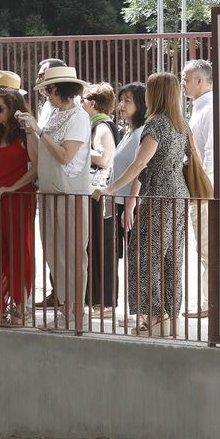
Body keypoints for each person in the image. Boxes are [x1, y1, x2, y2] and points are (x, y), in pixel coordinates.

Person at [100, 72, 190, 337]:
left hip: (158, 197)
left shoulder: (156, 125)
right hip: (178, 196)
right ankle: (170, 318)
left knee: (144, 257)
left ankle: (153, 317)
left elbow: (140, 164)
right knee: (172, 259)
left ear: (155, 94)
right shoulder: (180, 124)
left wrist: (110, 189)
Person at [23, 64, 92, 331]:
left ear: (60, 89)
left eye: (49, 89)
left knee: (73, 256)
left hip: (70, 194)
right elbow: (43, 155)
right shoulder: (53, 115)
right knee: (54, 254)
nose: (46, 94)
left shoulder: (78, 117)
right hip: (50, 192)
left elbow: (65, 156)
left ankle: (76, 314)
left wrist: (38, 131)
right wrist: (32, 130)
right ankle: (66, 310)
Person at [0, 88, 38, 325]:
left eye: (0, 109)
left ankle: (20, 308)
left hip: (18, 200)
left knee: (18, 252)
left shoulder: (25, 134)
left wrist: (12, 187)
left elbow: (35, 167)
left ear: (14, 109)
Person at [105, 82, 148, 315]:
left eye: (127, 100)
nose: (121, 105)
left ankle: (141, 311)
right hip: (122, 203)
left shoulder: (141, 133)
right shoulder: (129, 131)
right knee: (128, 257)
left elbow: (140, 169)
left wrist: (130, 203)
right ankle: (134, 311)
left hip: (132, 204)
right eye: (121, 99)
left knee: (137, 258)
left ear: (140, 104)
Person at [82, 82, 120, 314]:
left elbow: (105, 158)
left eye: (84, 100)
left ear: (92, 103)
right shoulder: (98, 125)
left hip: (99, 193)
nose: (81, 103)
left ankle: (103, 300)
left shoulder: (102, 126)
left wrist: (77, 148)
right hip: (96, 193)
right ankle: (98, 299)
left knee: (100, 245)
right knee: (95, 244)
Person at [183, 58, 216, 317]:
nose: (183, 83)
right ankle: (208, 302)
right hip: (202, 189)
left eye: (185, 78)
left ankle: (209, 304)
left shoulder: (208, 108)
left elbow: (210, 154)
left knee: (206, 247)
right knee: (204, 247)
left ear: (199, 81)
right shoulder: (200, 108)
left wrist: (205, 190)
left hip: (204, 190)